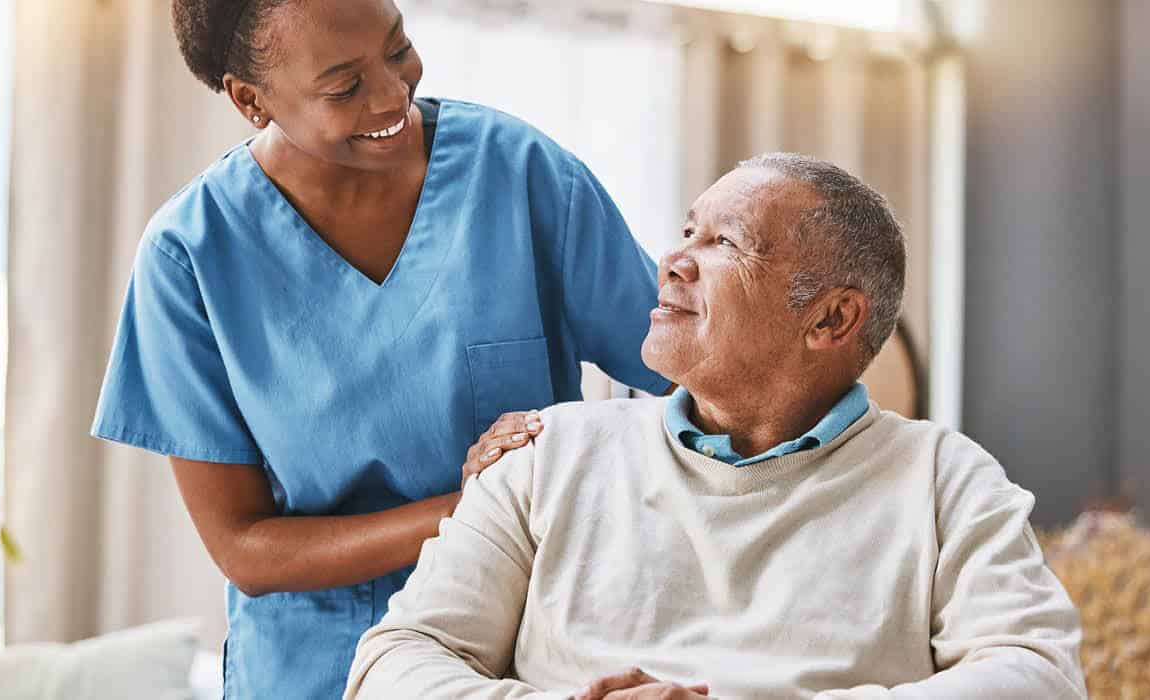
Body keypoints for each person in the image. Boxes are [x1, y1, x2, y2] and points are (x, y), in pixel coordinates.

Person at [345, 154, 1087, 700]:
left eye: (724, 244)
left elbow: (1038, 676)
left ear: (830, 318)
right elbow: (393, 664)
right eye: (687, 232)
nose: (671, 261)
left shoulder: (943, 478)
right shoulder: (549, 452)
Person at [90, 0, 670, 696]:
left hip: (534, 658)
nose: (395, 95)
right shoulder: (191, 256)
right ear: (251, 100)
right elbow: (244, 547)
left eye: (398, 50)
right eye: (344, 86)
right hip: (322, 672)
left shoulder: (519, 174)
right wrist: (480, 505)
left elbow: (691, 374)